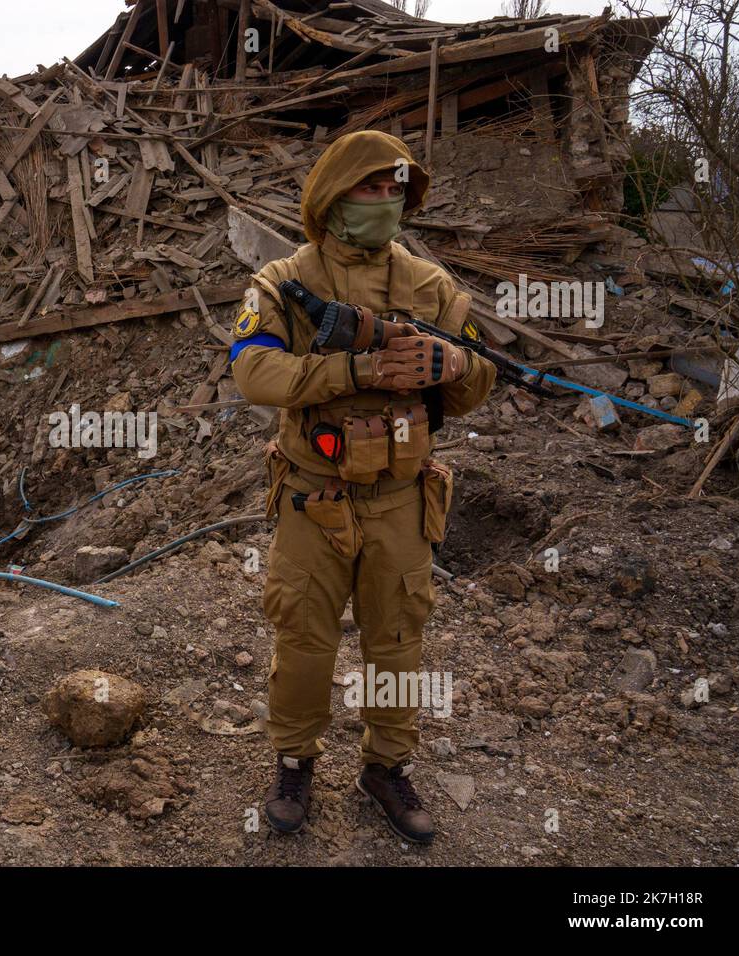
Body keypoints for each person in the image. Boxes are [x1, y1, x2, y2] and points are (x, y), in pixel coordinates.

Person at [230, 130, 497, 843]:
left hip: (402, 501)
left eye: (394, 191)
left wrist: (450, 367)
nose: (383, 203)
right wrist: (357, 372)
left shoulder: (431, 287)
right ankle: (294, 762)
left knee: (398, 641)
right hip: (312, 498)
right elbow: (255, 373)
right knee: (305, 641)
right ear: (331, 198)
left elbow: (479, 383)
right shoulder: (284, 280)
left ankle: (386, 767)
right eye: (368, 189)